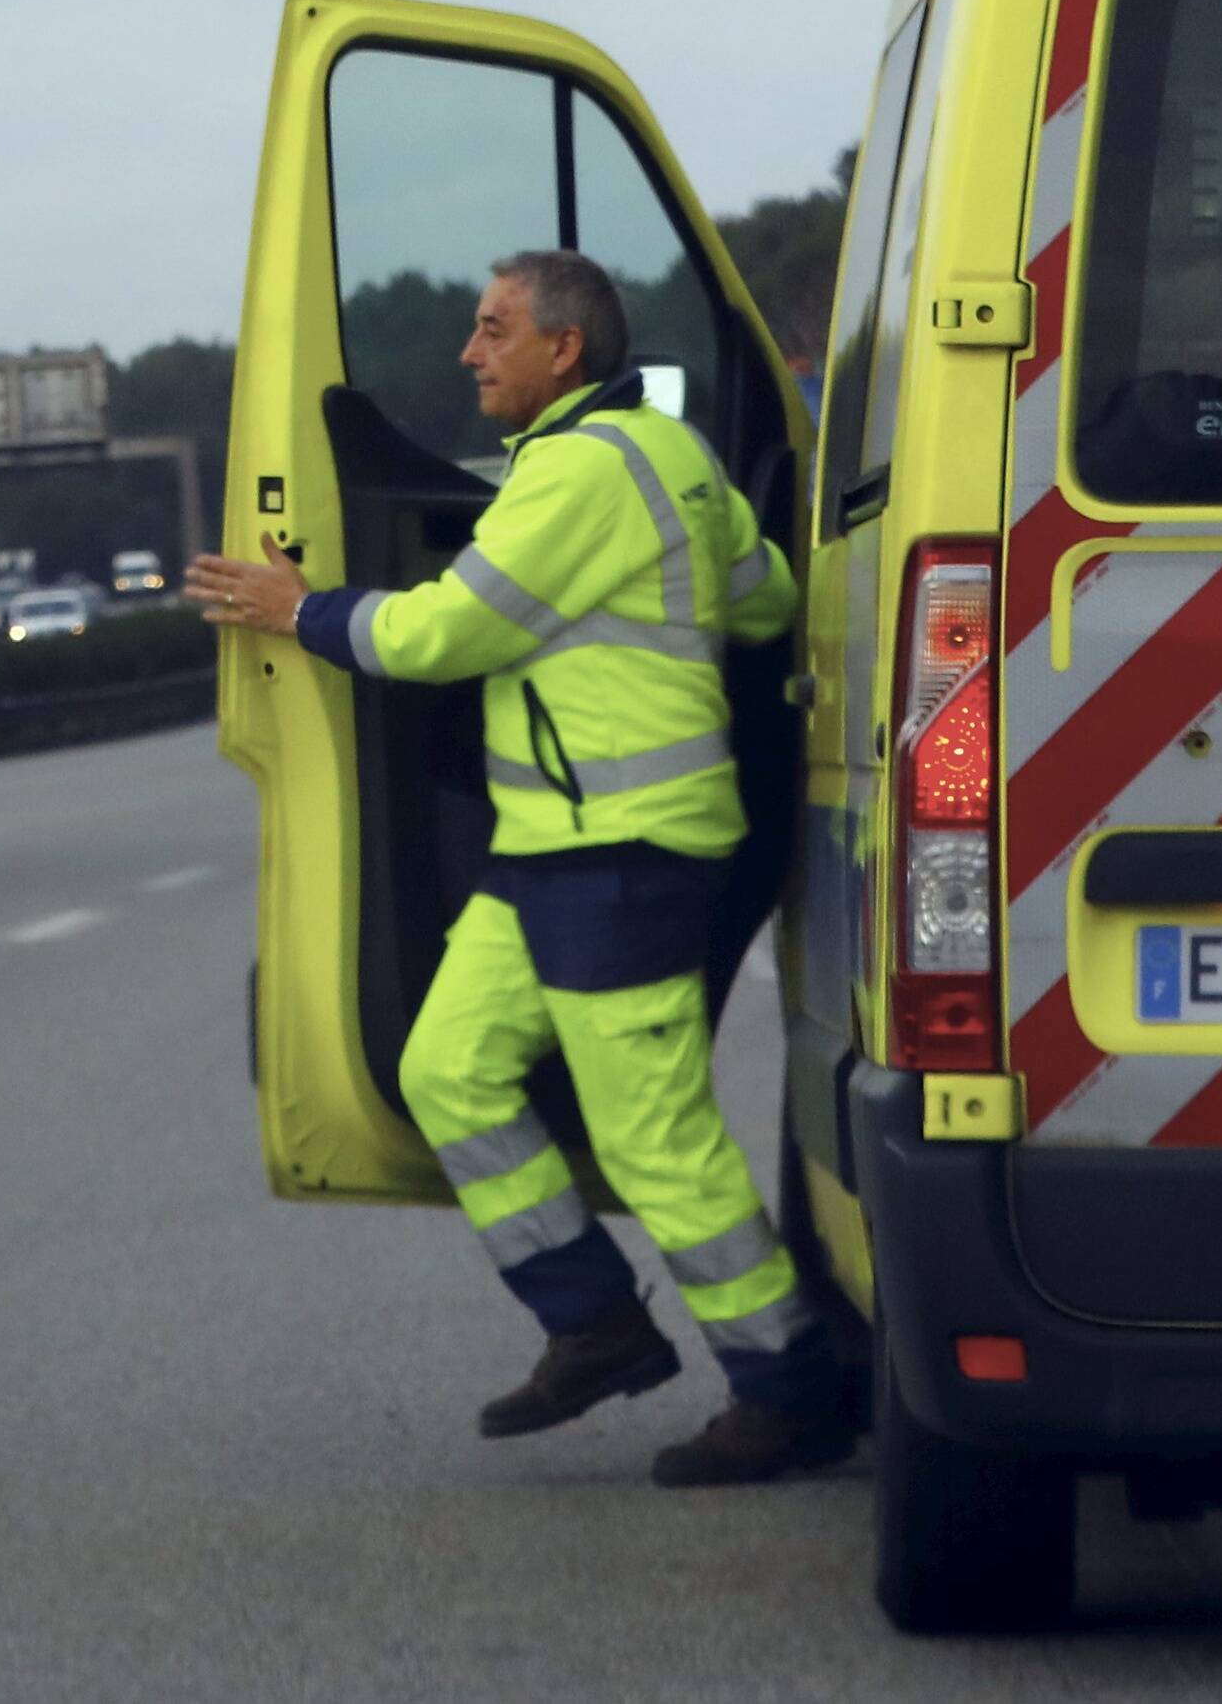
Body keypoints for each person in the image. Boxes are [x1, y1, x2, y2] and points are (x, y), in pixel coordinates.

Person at [188, 247, 848, 1487]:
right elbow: (761, 597)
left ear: (565, 350)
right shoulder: (670, 455)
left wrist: (300, 608)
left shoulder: (581, 472)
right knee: (446, 1070)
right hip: (553, 845)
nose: (467, 352)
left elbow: (442, 632)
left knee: (657, 1139)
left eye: (492, 329)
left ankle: (788, 1385)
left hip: (623, 850)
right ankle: (594, 1325)